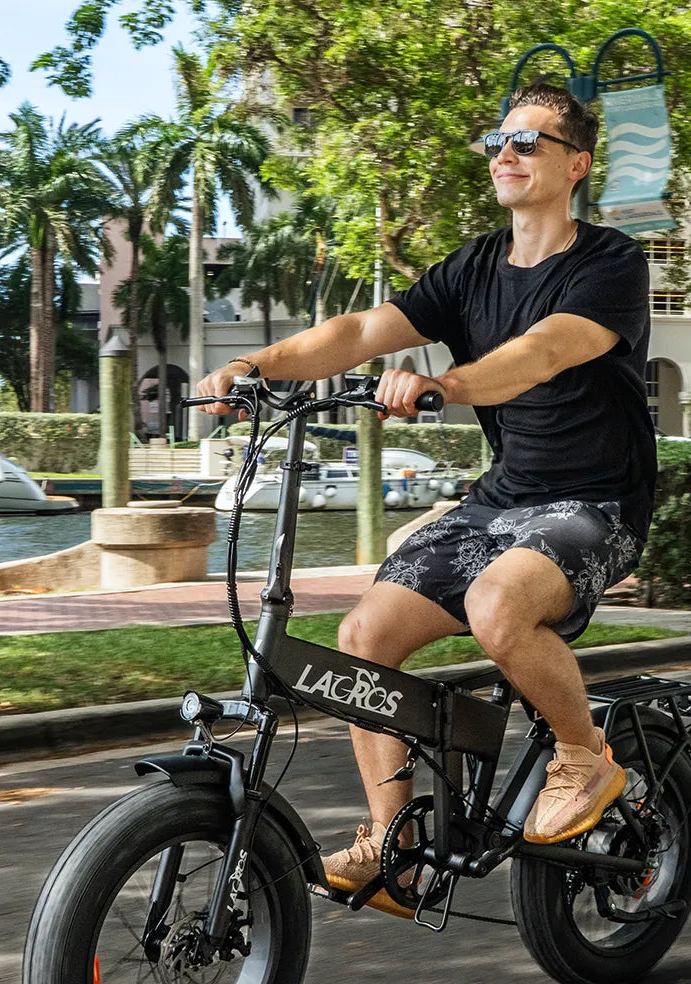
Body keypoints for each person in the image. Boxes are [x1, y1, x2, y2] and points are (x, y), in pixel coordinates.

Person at [196, 82, 654, 917]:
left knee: (498, 606)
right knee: (361, 637)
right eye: (497, 141)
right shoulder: (471, 267)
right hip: (503, 500)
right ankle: (396, 847)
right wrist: (253, 367)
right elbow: (360, 332)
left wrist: (444, 384)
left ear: (576, 164)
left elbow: (542, 352)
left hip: (597, 503)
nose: (505, 154)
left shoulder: (611, 263)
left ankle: (584, 754)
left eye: (528, 142)